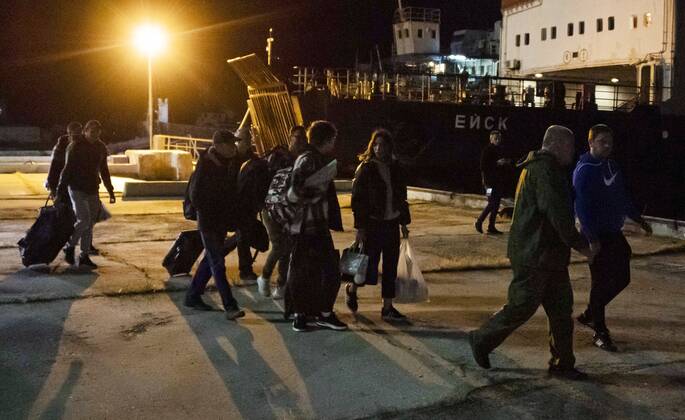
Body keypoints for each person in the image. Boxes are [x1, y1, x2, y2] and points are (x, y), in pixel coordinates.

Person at [468, 125, 596, 380]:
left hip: (548, 254)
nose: (573, 152)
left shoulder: (541, 168)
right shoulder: (545, 171)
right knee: (522, 305)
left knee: (561, 309)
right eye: (570, 147)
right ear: (558, 145)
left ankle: (563, 363)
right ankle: (481, 338)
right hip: (534, 253)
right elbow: (558, 215)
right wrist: (582, 245)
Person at [573, 124, 652, 351]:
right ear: (590, 143)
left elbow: (621, 197)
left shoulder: (611, 165)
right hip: (593, 235)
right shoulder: (585, 169)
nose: (607, 145)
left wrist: (638, 219)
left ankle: (591, 312)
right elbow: (581, 207)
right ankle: (600, 331)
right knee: (599, 282)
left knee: (622, 277)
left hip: (612, 232)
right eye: (602, 141)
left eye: (610, 141)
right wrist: (591, 239)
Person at [286, 120, 346, 332]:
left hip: (306, 225)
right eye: (333, 139)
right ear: (327, 140)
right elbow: (295, 192)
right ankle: (322, 314)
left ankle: (303, 315)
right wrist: (319, 189)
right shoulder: (310, 160)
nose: (334, 143)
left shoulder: (308, 157)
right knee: (329, 271)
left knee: (305, 271)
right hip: (310, 225)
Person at [349, 128, 411, 321]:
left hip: (391, 223)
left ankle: (387, 307)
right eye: (375, 144)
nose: (378, 148)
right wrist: (360, 227)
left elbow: (401, 196)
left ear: (389, 146)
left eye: (382, 144)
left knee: (391, 267)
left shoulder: (395, 167)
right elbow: (357, 200)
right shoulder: (366, 168)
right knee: (368, 267)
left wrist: (403, 222)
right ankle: (351, 288)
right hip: (373, 224)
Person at [184, 130, 245, 320]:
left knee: (211, 260)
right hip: (209, 222)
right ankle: (230, 306)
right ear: (219, 146)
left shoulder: (228, 164)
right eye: (230, 144)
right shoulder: (206, 166)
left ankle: (193, 296)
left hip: (220, 221)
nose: (234, 147)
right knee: (218, 263)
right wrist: (214, 210)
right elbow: (196, 197)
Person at [55, 120, 115, 268]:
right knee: (83, 220)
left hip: (93, 189)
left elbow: (104, 170)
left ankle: (84, 255)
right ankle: (69, 246)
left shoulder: (100, 147)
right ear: (85, 131)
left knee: (90, 225)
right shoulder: (75, 146)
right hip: (76, 188)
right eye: (92, 132)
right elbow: (67, 170)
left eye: (98, 132)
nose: (95, 135)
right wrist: (59, 191)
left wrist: (110, 190)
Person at [257, 125, 308, 299]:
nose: (300, 141)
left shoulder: (305, 159)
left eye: (303, 138)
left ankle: (281, 285)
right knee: (280, 245)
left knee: (287, 248)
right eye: (297, 137)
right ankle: (264, 277)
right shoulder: (278, 157)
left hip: (290, 209)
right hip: (270, 208)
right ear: (290, 137)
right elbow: (265, 182)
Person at [230, 127, 271, 286]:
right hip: (231, 204)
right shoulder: (230, 158)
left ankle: (245, 269)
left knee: (243, 236)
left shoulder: (254, 161)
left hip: (247, 206)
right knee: (239, 236)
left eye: (243, 140)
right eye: (238, 139)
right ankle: (242, 268)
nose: (240, 143)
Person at [475, 130, 511, 234]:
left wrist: (506, 162)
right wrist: (497, 163)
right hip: (489, 184)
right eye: (496, 138)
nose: (498, 140)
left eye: (499, 138)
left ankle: (491, 227)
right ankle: (479, 221)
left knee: (496, 204)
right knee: (492, 202)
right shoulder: (487, 150)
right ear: (491, 139)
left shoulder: (500, 150)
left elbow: (501, 166)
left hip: (498, 183)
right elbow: (483, 167)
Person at [46, 122, 82, 198]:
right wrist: (52, 185)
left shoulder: (85, 145)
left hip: (79, 184)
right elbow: (54, 167)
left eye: (79, 134)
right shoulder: (61, 147)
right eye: (75, 135)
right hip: (63, 182)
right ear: (69, 134)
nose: (77, 138)